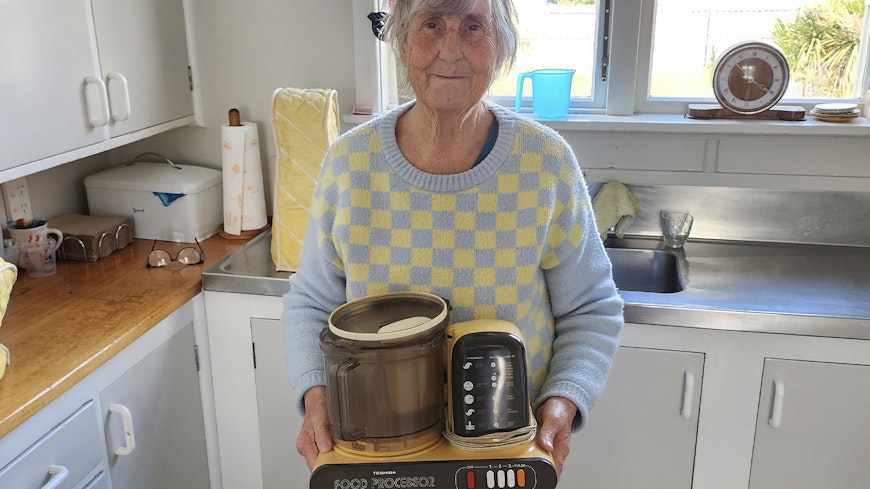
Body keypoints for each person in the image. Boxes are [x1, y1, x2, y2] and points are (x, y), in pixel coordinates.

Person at [282, 0, 623, 477]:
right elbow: (311, 302)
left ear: (500, 46)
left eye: (472, 26)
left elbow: (592, 306)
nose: (450, 49)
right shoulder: (350, 162)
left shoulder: (544, 163)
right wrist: (316, 395)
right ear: (401, 42)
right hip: (379, 454)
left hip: (503, 457)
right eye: (431, 24)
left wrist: (564, 402)